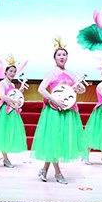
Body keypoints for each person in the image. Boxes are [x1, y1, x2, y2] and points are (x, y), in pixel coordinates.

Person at [31, 37, 88, 184]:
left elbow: (81, 89)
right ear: (55, 58)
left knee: (56, 142)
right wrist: (54, 99)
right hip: (54, 112)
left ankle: (44, 170)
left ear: (67, 57)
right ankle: (58, 173)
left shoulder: (71, 74)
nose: (62, 57)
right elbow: (41, 89)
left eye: (64, 54)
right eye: (59, 55)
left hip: (67, 112)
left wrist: (79, 87)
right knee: (54, 140)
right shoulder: (52, 73)